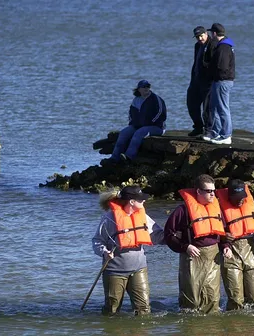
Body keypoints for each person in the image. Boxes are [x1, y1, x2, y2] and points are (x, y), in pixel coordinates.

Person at [163, 174, 232, 314]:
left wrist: (226, 247)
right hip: (192, 257)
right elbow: (169, 234)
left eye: (214, 190)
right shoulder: (182, 211)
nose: (213, 194)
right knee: (192, 300)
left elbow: (224, 232)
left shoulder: (216, 209)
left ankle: (211, 327)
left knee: (212, 298)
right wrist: (185, 246)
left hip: (213, 257)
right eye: (208, 191)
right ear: (198, 191)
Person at [92, 185, 164, 316]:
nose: (144, 201)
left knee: (144, 310)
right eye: (141, 199)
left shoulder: (143, 217)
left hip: (139, 268)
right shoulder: (109, 219)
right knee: (112, 310)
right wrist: (104, 252)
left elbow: (159, 235)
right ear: (131, 201)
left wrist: (178, 239)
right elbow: (97, 241)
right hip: (114, 271)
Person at [215, 179, 254, 310]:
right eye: (237, 198)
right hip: (230, 253)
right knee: (236, 299)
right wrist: (223, 237)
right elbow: (210, 235)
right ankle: (235, 326)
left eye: (243, 197)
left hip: (251, 251)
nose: (241, 200)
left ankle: (252, 328)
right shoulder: (219, 209)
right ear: (229, 197)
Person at [110, 80, 167, 162]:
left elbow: (161, 113)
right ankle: (114, 158)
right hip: (139, 126)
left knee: (139, 133)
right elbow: (131, 114)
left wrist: (150, 123)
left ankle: (129, 156)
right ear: (139, 89)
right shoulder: (136, 100)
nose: (146, 88)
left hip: (157, 127)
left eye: (148, 86)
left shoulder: (156, 99)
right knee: (123, 133)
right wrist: (132, 124)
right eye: (144, 86)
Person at [201, 23, 235, 145]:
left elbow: (222, 66)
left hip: (222, 81)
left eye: (211, 33)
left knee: (222, 108)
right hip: (219, 81)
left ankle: (226, 135)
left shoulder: (223, 47)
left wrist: (211, 69)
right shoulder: (223, 45)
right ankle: (216, 132)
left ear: (214, 33)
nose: (211, 35)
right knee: (214, 107)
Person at [187, 26, 218, 137]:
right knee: (191, 104)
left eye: (201, 35)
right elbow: (196, 61)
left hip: (207, 81)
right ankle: (198, 127)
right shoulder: (197, 46)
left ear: (206, 34)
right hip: (196, 79)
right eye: (197, 37)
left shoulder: (212, 44)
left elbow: (213, 63)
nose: (199, 38)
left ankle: (209, 129)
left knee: (207, 108)